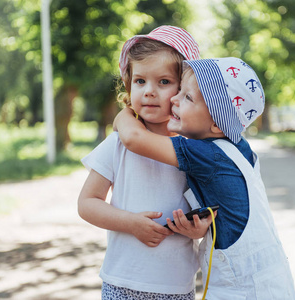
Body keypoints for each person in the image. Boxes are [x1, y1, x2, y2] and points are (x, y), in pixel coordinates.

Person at [115, 57, 295, 299]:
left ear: (216, 124)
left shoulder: (205, 153)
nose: (173, 99)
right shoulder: (239, 149)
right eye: (179, 91)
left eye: (187, 97)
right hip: (273, 283)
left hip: (240, 290)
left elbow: (134, 140)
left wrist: (123, 115)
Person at [78, 26, 211, 300]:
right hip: (121, 283)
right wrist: (130, 223)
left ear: (184, 87)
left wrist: (200, 226)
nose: (149, 92)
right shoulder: (117, 144)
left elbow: (208, 209)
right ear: (128, 85)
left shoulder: (195, 149)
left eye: (163, 82)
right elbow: (87, 203)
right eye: (140, 81)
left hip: (175, 286)